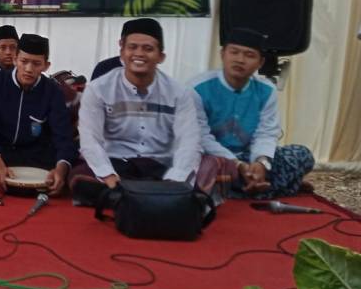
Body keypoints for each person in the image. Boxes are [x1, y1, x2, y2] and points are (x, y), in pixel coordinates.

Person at [68, 18, 234, 205]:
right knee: (79, 177)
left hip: (162, 166)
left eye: (148, 49)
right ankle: (160, 200)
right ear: (122, 51)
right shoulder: (98, 89)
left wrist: (175, 181)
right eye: (132, 47)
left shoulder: (179, 93)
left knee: (211, 165)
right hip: (117, 165)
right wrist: (108, 176)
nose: (139, 54)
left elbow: (189, 142)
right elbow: (90, 139)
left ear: (161, 56)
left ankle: (129, 200)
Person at [189, 29, 314, 197]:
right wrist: (237, 164)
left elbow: (266, 133)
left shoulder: (266, 90)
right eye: (234, 52)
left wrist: (261, 162)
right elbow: (201, 138)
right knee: (201, 169)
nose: (240, 60)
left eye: (249, 55)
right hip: (213, 157)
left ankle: (252, 185)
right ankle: (281, 185)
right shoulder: (197, 88)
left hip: (248, 156)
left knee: (302, 154)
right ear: (222, 54)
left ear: (260, 62)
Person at [0, 34, 76, 194]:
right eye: (24, 61)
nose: (29, 69)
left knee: (65, 158)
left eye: (36, 64)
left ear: (46, 66)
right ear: (15, 59)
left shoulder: (52, 91)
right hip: (0, 149)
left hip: (33, 154)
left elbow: (62, 135)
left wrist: (61, 170)